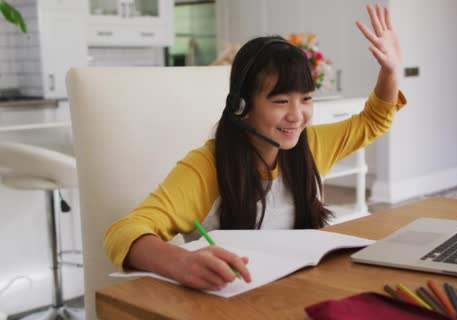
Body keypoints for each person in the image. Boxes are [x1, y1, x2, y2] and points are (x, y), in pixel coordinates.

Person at [104, 4, 406, 291]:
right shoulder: (206, 167)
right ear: (241, 106)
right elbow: (124, 231)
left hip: (298, 293)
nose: (296, 115)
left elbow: (374, 120)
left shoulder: (310, 145)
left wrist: (390, 72)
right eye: (280, 101)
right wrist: (181, 261)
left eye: (306, 99)